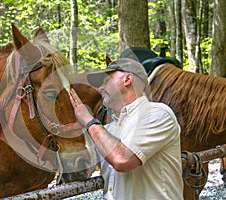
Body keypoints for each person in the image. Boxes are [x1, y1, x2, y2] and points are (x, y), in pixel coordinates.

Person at [69, 58, 183, 199]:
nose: (101, 88)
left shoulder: (158, 114)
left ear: (127, 79)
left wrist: (89, 121)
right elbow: (79, 170)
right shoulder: (108, 130)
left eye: (106, 81)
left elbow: (122, 159)